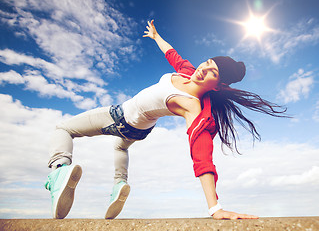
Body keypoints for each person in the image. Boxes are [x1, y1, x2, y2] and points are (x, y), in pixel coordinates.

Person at [45, 20, 287, 220]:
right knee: (119, 146)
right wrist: (155, 36)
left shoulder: (192, 107)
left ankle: (58, 172)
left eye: (212, 72)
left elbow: (202, 156)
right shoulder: (187, 71)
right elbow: (173, 55)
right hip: (140, 130)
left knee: (63, 128)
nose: (204, 69)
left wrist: (215, 209)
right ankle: (119, 184)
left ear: (218, 85)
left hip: (121, 117)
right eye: (208, 62)